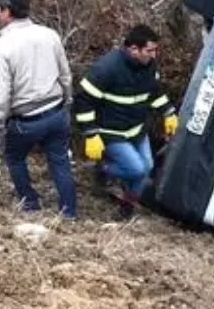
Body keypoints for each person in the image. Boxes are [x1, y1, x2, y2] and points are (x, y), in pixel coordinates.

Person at [0, 0, 77, 220]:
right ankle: (69, 212)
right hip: (55, 112)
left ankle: (30, 204)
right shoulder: (49, 34)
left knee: (14, 157)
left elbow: (1, 95)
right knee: (60, 162)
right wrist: (67, 101)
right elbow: (65, 75)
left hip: (25, 120)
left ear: (6, 11)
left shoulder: (2, 46)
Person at [73, 24, 179, 219]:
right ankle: (102, 169)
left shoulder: (149, 66)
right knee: (136, 170)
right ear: (133, 49)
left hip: (136, 129)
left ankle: (127, 207)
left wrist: (168, 112)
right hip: (111, 131)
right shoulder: (107, 69)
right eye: (149, 50)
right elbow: (83, 100)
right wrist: (91, 134)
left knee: (146, 168)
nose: (154, 55)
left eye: (155, 50)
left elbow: (154, 92)